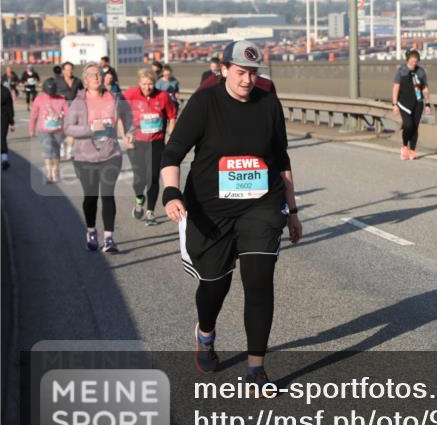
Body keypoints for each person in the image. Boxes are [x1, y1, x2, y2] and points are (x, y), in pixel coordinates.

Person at [160, 40, 302, 388]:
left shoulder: (268, 103)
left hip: (260, 206)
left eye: (253, 73)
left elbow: (281, 158)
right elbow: (173, 152)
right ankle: (206, 332)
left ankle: (256, 369)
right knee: (214, 285)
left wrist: (292, 210)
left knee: (259, 282)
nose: (247, 80)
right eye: (240, 72)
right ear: (224, 69)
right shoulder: (205, 102)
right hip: (211, 211)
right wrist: (171, 192)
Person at [63, 63, 134, 252]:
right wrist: (90, 129)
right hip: (84, 158)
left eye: (99, 74)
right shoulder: (78, 102)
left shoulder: (115, 98)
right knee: (91, 197)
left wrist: (129, 132)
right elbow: (68, 128)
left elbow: (128, 117)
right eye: (92, 75)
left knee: (108, 194)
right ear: (85, 80)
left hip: (110, 155)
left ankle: (109, 238)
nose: (96, 77)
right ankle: (91, 231)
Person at [124, 69, 177, 225]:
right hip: (137, 142)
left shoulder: (163, 96)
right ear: (139, 83)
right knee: (139, 178)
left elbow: (172, 116)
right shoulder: (130, 94)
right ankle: (139, 198)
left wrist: (170, 136)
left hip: (156, 142)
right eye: (144, 84)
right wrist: (125, 133)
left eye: (150, 84)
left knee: (153, 177)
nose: (147, 87)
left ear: (155, 83)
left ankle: (150, 212)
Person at [391, 49, 430, 160]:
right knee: (408, 125)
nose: (414, 63)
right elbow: (396, 88)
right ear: (408, 60)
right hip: (404, 103)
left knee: (415, 126)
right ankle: (404, 146)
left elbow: (425, 88)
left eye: (416, 61)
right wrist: (394, 104)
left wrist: (427, 104)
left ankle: (412, 150)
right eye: (412, 61)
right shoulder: (401, 71)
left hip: (418, 102)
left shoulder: (421, 72)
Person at [28, 78, 69, 183]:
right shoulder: (39, 99)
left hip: (58, 130)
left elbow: (68, 114)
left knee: (55, 152)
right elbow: (34, 115)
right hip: (44, 130)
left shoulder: (61, 99)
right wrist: (31, 128)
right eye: (48, 93)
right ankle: (49, 174)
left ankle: (55, 171)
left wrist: (62, 116)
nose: (50, 95)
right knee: (48, 149)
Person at [1, 84, 13, 171]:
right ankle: (4, 160)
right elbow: (9, 107)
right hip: (4, 117)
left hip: (4, 117)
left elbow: (9, 107)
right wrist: (11, 121)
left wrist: (11, 121)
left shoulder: (5, 91)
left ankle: (4, 160)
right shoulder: (5, 91)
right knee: (2, 139)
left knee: (2, 139)